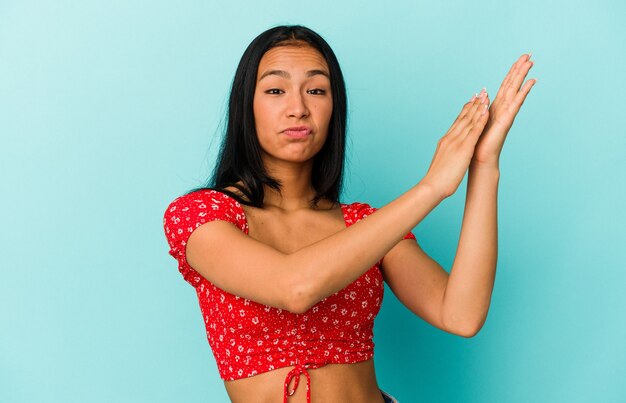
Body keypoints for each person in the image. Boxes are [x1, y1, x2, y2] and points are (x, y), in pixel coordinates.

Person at [163, 25, 535, 403]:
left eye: (316, 90)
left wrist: (485, 165)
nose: (298, 108)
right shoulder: (201, 215)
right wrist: (431, 187)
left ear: (334, 108)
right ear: (246, 106)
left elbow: (461, 314)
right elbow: (295, 288)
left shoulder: (364, 224)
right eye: (276, 90)